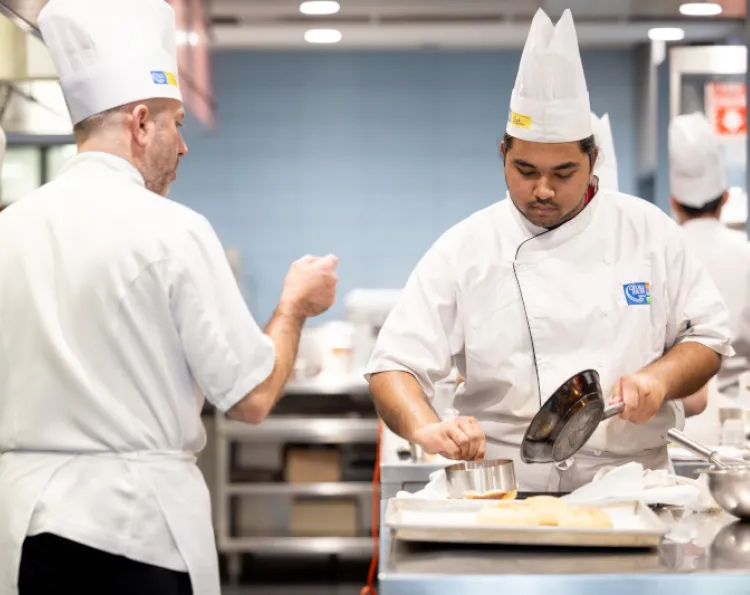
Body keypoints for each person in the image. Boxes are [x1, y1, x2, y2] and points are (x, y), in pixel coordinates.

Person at [0, 1, 338, 594]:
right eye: (176, 123)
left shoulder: (10, 229)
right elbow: (253, 398)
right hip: (134, 533)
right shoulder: (172, 230)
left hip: (21, 534)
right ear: (139, 123)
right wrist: (293, 307)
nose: (183, 147)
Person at [366, 9, 732, 492]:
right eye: (524, 170)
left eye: (562, 173)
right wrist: (423, 426)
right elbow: (393, 363)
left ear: (592, 159)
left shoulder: (648, 232)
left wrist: (661, 379)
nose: (543, 189)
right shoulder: (467, 248)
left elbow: (707, 337)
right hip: (501, 492)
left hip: (631, 490)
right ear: (502, 154)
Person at [670, 112, 750, 400]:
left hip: (672, 408)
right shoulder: (745, 254)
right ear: (725, 197)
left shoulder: (665, 252)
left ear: (674, 201)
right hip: (739, 408)